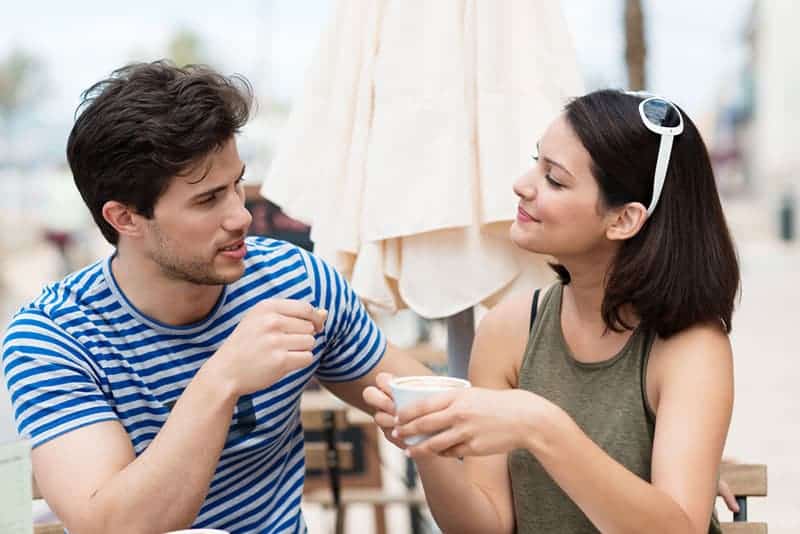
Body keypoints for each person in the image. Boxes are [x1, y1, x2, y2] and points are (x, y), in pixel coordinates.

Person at [1, 61, 429, 534]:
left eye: (238, 184)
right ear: (125, 218)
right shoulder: (55, 337)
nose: (240, 216)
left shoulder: (294, 280)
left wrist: (473, 412)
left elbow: (430, 402)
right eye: (208, 200)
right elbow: (113, 525)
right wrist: (222, 378)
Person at [364, 89, 740, 533]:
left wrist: (540, 426)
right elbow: (487, 526)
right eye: (535, 162)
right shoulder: (508, 330)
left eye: (555, 179)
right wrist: (427, 443)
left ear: (623, 219)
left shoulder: (691, 349)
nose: (522, 185)